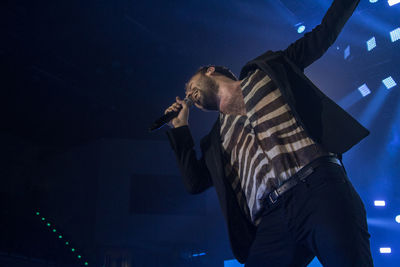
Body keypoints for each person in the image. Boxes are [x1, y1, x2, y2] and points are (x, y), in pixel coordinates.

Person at [164, 0, 374, 266]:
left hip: (320, 186)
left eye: (191, 86)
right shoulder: (216, 140)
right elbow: (194, 182)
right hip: (272, 220)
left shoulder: (269, 70)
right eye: (187, 94)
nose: (188, 95)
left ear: (210, 71)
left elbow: (323, 35)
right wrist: (180, 127)